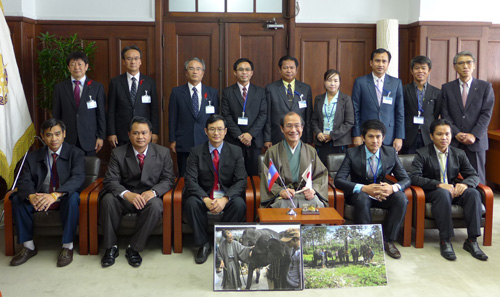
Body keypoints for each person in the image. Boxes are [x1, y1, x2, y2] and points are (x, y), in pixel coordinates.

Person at [100, 116, 175, 268]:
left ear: (151, 135)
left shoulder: (163, 153)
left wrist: (153, 192)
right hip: (126, 197)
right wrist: (127, 194)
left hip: (148, 197)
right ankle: (110, 247)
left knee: (156, 206)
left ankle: (134, 248)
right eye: (136, 133)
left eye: (144, 133)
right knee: (108, 200)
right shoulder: (118, 153)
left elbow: (168, 179)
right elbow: (110, 180)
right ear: (129, 134)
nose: (140, 137)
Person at [410, 119, 488, 261]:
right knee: (442, 193)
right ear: (432, 136)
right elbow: (414, 177)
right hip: (434, 192)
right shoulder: (422, 154)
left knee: (473, 193)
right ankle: (445, 240)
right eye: (439, 134)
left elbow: (473, 175)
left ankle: (472, 241)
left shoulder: (459, 154)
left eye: (447, 134)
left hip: (454, 191)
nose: (444, 138)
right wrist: (438, 184)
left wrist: (465, 184)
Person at [10, 118, 85, 267]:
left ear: (64, 134)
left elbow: (78, 178)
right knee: (17, 199)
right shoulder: (32, 157)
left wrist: (55, 195)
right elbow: (24, 180)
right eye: (49, 135)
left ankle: (67, 246)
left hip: (62, 197)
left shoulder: (75, 153)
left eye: (57, 134)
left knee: (73, 199)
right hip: (40, 197)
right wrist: (31, 196)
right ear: (43, 136)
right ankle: (28, 246)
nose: (54, 138)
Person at [334, 119, 409, 259]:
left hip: (383, 193)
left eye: (378, 137)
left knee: (401, 198)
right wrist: (363, 188)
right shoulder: (352, 153)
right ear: (363, 137)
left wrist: (392, 188)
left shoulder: (391, 152)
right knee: (362, 198)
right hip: (361, 194)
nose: (375, 141)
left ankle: (389, 241)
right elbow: (339, 180)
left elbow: (406, 179)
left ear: (383, 138)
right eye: (370, 136)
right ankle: (367, 243)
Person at [183, 114, 247, 264]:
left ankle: (220, 242)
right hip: (204, 195)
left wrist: (225, 199)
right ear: (206, 131)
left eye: (219, 129)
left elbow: (241, 180)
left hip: (226, 195)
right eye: (212, 129)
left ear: (225, 131)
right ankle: (203, 244)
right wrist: (205, 199)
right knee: (191, 203)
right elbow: (190, 180)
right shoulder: (196, 152)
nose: (216, 133)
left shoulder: (236, 151)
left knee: (239, 204)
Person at [441, 51, 495, 184]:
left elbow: (486, 114)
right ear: (455, 67)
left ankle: (478, 204)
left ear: (474, 66)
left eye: (469, 62)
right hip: (453, 140)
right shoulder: (447, 88)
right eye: (461, 63)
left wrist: (474, 135)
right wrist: (456, 133)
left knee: (477, 179)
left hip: (476, 142)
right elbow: (445, 114)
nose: (465, 66)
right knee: (451, 178)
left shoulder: (485, 87)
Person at [261, 112, 328, 208]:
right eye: (289, 126)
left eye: (297, 126)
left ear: (302, 128)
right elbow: (267, 178)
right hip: (283, 197)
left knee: (318, 205)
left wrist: (313, 190)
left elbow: (321, 175)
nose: (293, 130)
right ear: (282, 129)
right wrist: (280, 191)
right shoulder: (272, 152)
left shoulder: (310, 151)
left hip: (305, 195)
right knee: (280, 205)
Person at [169, 57, 219, 177]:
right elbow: (172, 118)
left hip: (206, 141)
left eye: (198, 69)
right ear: (186, 73)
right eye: (191, 69)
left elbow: (215, 118)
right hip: (184, 141)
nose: (195, 72)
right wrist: (172, 139)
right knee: (184, 175)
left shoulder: (212, 92)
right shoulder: (177, 92)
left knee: (207, 175)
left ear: (203, 73)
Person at [52, 51, 106, 156]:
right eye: (73, 64)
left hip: (90, 138)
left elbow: (101, 114)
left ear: (86, 66)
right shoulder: (60, 88)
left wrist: (101, 136)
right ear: (68, 67)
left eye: (80, 64)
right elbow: (56, 114)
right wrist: (58, 135)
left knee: (88, 169)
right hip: (67, 138)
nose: (76, 67)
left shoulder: (97, 87)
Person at [351, 48, 405, 152]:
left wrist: (399, 136)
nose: (380, 64)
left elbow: (400, 111)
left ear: (388, 64)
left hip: (389, 136)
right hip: (366, 135)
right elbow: (355, 110)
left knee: (388, 166)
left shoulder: (396, 83)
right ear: (371, 62)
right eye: (377, 61)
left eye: (384, 61)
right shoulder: (360, 82)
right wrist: (356, 134)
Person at [221, 58, 267, 176]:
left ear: (251, 73)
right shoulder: (227, 92)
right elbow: (226, 115)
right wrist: (240, 135)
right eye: (240, 70)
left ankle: (253, 195)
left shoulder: (260, 92)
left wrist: (250, 134)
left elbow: (263, 114)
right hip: (234, 140)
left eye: (247, 70)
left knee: (253, 175)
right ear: (235, 72)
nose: (244, 72)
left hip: (254, 141)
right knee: (234, 174)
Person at [107, 45, 159, 147]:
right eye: (129, 58)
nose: (133, 62)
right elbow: (111, 110)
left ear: (140, 61)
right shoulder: (115, 82)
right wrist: (111, 132)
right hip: (122, 132)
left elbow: (154, 110)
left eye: (136, 58)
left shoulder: (149, 82)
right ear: (123, 61)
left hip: (144, 133)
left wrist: (155, 131)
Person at [264, 55, 313, 147]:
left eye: (292, 68)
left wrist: (309, 138)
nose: (289, 70)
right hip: (277, 135)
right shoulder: (271, 88)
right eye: (285, 68)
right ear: (280, 70)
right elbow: (267, 116)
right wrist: (267, 138)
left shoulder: (306, 88)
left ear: (296, 70)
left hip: (300, 136)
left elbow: (308, 116)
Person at [311, 69, 354, 165]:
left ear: (339, 83)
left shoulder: (346, 99)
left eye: (335, 80)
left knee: (338, 171)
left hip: (339, 142)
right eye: (329, 80)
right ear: (324, 82)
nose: (332, 83)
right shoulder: (319, 99)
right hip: (321, 141)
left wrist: (332, 135)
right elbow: (314, 120)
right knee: (321, 170)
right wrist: (318, 133)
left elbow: (349, 122)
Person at [401, 56, 442, 154]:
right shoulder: (404, 90)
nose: (420, 71)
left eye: (423, 68)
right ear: (411, 71)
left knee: (428, 167)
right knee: (408, 166)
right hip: (409, 136)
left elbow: (435, 114)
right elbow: (400, 113)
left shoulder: (437, 92)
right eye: (417, 68)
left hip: (428, 137)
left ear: (429, 71)